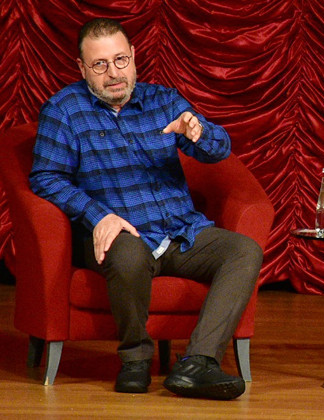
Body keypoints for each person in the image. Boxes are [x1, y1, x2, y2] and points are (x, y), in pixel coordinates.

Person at [29, 18, 263, 400]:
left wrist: (199, 131)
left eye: (120, 60)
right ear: (82, 68)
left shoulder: (163, 101)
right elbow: (45, 177)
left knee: (244, 250)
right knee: (126, 254)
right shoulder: (64, 111)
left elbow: (220, 149)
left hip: (181, 232)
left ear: (134, 57)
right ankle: (135, 360)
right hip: (120, 232)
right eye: (100, 64)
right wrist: (98, 215)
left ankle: (198, 363)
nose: (114, 73)